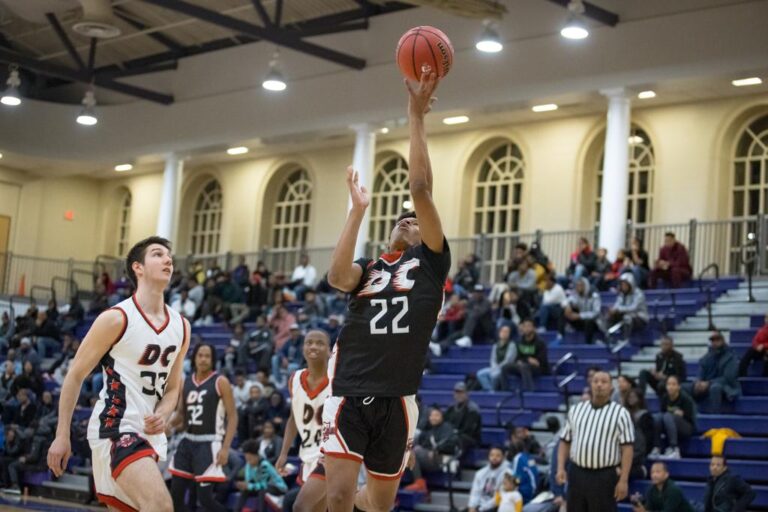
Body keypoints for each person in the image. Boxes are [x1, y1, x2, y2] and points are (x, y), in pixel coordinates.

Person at [320, 72, 450, 512]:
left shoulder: (432, 263)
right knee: (336, 495)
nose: (406, 218)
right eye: (401, 217)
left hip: (398, 397)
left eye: (415, 219)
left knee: (376, 504)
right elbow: (337, 277)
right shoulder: (370, 267)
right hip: (351, 389)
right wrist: (356, 211)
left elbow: (419, 188)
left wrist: (415, 116)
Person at [47, 236, 190, 512]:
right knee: (160, 505)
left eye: (169, 256)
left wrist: (163, 413)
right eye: (158, 254)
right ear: (138, 267)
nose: (168, 260)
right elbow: (75, 375)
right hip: (114, 428)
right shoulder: (116, 318)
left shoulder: (182, 327)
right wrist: (62, 434)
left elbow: (173, 388)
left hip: (148, 435)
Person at [168, 343, 237, 512]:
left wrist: (226, 448)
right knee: (175, 498)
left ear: (213, 360)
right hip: (186, 443)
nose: (203, 359)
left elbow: (233, 417)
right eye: (200, 355)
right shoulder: (185, 382)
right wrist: (168, 426)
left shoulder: (221, 382)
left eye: (207, 356)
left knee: (205, 500)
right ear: (194, 358)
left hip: (209, 444)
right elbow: (181, 415)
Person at [556, 371, 634, 512]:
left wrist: (623, 480)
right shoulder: (576, 410)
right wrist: (560, 467)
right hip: (577, 472)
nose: (599, 385)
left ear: (611, 387)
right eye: (596, 381)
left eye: (604, 382)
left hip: (604, 475)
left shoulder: (621, 413)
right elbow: (565, 440)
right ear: (590, 385)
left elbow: (627, 449)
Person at [276, 329, 331, 512]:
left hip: (331, 455)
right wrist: (284, 453)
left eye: (320, 343)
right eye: (309, 342)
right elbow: (294, 418)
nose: (313, 346)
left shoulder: (338, 380)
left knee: (300, 507)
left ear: (329, 350)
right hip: (307, 454)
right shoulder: (295, 379)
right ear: (303, 348)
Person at [406, 406, 460, 493]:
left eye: (436, 415)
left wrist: (436, 450)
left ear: (442, 416)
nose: (433, 418)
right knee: (408, 453)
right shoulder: (428, 429)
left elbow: (451, 444)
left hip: (443, 458)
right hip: (429, 458)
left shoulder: (447, 428)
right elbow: (423, 444)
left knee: (412, 453)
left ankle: (419, 482)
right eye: (431, 415)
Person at [683, 331, 741, 413]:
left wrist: (708, 383)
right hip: (706, 385)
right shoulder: (707, 356)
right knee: (682, 387)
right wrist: (698, 382)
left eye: (717, 340)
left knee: (715, 388)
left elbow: (728, 378)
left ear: (723, 341)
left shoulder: (731, 357)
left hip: (726, 386)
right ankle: (690, 414)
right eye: (713, 341)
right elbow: (701, 371)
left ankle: (714, 417)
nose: (715, 343)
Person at [235, 439, 288, 512]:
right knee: (245, 491)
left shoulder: (264, 465)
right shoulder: (248, 465)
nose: (248, 461)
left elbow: (264, 485)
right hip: (261, 486)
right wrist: (244, 485)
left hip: (277, 487)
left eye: (250, 458)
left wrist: (249, 486)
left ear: (256, 456)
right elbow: (249, 481)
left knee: (261, 491)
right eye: (247, 459)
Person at [651, 375, 696, 460]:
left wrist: (682, 415)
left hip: (686, 427)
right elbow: (662, 414)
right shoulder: (665, 398)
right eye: (668, 384)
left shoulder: (685, 399)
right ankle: (656, 447)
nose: (670, 387)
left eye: (673, 384)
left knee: (668, 416)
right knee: (657, 417)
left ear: (679, 386)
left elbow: (691, 418)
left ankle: (674, 448)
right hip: (670, 424)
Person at [504, 320, 549, 392]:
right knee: (505, 367)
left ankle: (529, 392)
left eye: (529, 326)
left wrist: (525, 360)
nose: (526, 328)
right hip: (524, 365)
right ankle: (505, 390)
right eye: (525, 326)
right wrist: (527, 359)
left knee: (524, 367)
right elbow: (518, 358)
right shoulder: (519, 341)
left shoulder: (540, 342)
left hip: (539, 368)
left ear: (534, 328)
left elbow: (541, 361)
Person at [444, 381, 483, 451]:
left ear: (467, 393)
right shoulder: (451, 408)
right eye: (457, 393)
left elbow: (470, 430)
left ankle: (453, 459)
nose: (459, 395)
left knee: (458, 439)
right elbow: (445, 422)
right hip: (454, 435)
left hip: (470, 438)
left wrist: (455, 433)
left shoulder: (472, 409)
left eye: (461, 392)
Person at [476, 325, 517, 392]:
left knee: (495, 375)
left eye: (507, 332)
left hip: (504, 369)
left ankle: (493, 391)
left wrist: (498, 368)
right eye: (503, 331)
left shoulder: (512, 345)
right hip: (494, 368)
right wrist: (494, 367)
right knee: (480, 374)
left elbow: (508, 360)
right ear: (499, 333)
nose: (504, 333)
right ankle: (490, 390)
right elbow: (492, 359)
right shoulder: (495, 345)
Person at [607, 273, 648, 338]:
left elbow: (634, 308)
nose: (623, 286)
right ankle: (609, 338)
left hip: (640, 317)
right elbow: (617, 304)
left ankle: (626, 340)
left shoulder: (638, 293)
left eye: (625, 284)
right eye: (622, 285)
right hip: (626, 315)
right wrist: (613, 310)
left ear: (630, 284)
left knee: (627, 318)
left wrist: (618, 309)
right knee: (610, 315)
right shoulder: (622, 294)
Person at [469, 447, 510, 512]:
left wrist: (481, 509)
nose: (494, 458)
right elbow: (475, 492)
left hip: (498, 506)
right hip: (480, 505)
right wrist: (472, 507)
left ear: (503, 457)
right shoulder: (480, 473)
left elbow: (500, 497)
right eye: (492, 455)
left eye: (498, 455)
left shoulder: (508, 474)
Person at [562, 277, 601, 344]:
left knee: (589, 321)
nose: (578, 287)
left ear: (586, 286)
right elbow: (565, 301)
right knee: (565, 310)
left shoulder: (594, 296)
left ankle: (588, 343)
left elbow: (596, 313)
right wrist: (567, 306)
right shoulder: (577, 295)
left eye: (580, 286)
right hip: (581, 321)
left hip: (594, 323)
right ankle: (561, 335)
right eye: (577, 286)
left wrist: (579, 316)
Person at [738, 312, 768, 377]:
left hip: (765, 350)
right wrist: (757, 346)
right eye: (766, 318)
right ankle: (742, 375)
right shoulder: (763, 329)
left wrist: (764, 345)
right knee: (750, 352)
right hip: (760, 350)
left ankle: (764, 379)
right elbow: (755, 340)